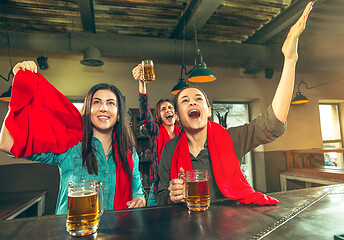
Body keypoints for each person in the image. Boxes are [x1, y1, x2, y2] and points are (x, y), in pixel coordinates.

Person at [155, 2, 314, 205]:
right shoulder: (170, 149)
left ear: (209, 110)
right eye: (184, 100)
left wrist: (290, 60)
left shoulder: (231, 138)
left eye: (198, 99)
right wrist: (171, 196)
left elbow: (272, 124)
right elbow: (160, 198)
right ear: (177, 114)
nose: (192, 102)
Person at [0, 61, 146, 214]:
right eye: (97, 102)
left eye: (110, 103)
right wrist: (20, 89)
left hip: (117, 233)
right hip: (72, 234)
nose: (103, 108)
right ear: (88, 111)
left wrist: (140, 199)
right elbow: (7, 144)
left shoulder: (130, 154)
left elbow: (138, 192)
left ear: (118, 116)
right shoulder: (69, 145)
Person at [132, 64, 181, 206]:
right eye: (163, 109)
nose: (167, 111)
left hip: (179, 188)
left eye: (170, 108)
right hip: (158, 188)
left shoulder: (182, 134)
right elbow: (144, 110)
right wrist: (142, 83)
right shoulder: (156, 131)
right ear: (158, 115)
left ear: (176, 114)